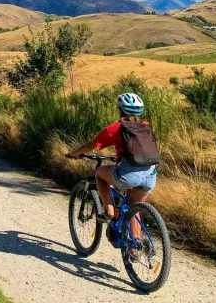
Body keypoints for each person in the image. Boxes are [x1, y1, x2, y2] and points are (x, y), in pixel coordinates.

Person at [67, 93, 158, 240]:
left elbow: (91, 145)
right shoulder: (146, 127)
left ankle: (109, 211)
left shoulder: (115, 128)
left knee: (100, 173)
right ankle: (136, 247)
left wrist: (74, 153)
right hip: (150, 175)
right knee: (134, 207)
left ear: (119, 109)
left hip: (129, 175)